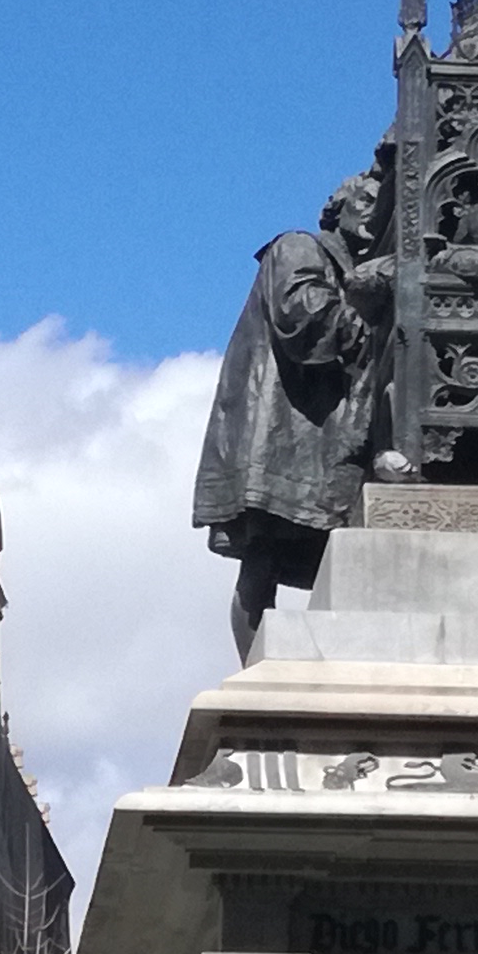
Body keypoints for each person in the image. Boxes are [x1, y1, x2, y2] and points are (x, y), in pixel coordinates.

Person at [192, 166, 398, 655]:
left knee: (332, 556)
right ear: (337, 210)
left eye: (381, 205)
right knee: (262, 557)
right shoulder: (299, 246)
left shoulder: (359, 268)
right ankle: (255, 671)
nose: (372, 212)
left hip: (323, 437)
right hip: (281, 435)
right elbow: (303, 315)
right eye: (363, 200)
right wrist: (374, 320)